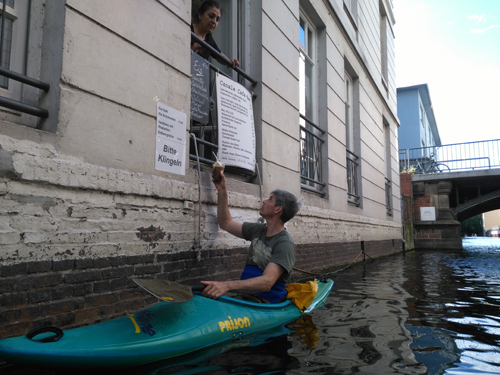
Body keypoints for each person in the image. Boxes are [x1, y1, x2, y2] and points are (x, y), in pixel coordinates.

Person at [201, 170, 300, 303]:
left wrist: (226, 286)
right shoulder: (257, 230)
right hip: (245, 297)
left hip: (267, 303)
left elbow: (267, 283)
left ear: (278, 209)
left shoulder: (285, 244)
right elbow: (226, 223)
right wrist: (222, 190)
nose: (264, 201)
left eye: (270, 199)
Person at [191, 0, 239, 68]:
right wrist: (192, 51)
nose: (214, 22)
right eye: (211, 16)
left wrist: (230, 62)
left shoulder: (208, 38)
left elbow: (218, 54)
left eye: (217, 19)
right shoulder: (188, 30)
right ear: (200, 15)